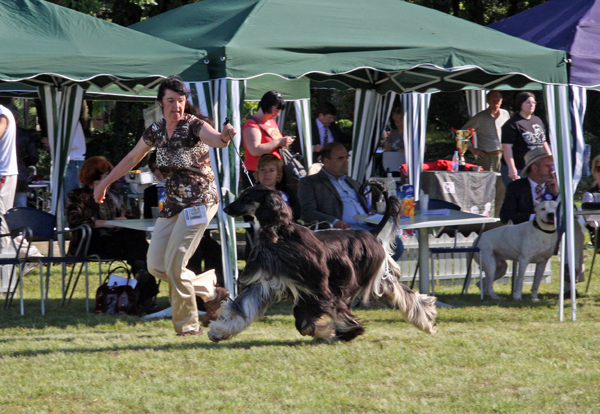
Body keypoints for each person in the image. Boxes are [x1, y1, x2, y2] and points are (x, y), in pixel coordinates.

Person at [93, 75, 236, 336]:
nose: (176, 107)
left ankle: (188, 328)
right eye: (170, 101)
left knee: (175, 264)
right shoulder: (156, 130)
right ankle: (212, 292)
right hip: (173, 204)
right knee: (156, 265)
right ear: (161, 103)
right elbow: (132, 158)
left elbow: (216, 139)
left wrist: (225, 136)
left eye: (180, 101)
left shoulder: (194, 126)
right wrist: (104, 184)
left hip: (199, 201)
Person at [298, 142, 404, 259]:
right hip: (341, 233)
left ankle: (375, 276)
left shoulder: (353, 182)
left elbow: (369, 207)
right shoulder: (310, 183)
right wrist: (334, 222)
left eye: (347, 157)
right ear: (326, 161)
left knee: (395, 243)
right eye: (340, 158)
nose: (346, 161)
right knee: (386, 247)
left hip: (367, 228)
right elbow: (307, 213)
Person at [144, 151, 223, 287]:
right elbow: (148, 217)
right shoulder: (151, 191)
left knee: (212, 250)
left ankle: (216, 289)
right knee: (162, 263)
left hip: (196, 235)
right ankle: (208, 291)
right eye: (155, 168)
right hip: (167, 237)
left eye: (162, 167)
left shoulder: (192, 190)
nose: (159, 171)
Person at [66, 156, 149, 276]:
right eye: (106, 177)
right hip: (91, 241)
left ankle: (141, 272)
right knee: (135, 245)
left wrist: (123, 220)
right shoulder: (78, 195)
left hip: (115, 239)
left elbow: (131, 218)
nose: (110, 180)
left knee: (136, 236)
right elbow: (74, 220)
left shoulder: (113, 195)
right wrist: (103, 223)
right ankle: (142, 273)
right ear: (93, 177)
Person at [241, 91, 295, 188]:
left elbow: (273, 143)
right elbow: (255, 150)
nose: (278, 114)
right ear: (267, 105)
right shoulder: (251, 124)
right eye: (276, 110)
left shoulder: (272, 121)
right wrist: (278, 142)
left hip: (274, 174)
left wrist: (283, 142)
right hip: (257, 174)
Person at [501, 91, 550, 185]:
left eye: (534, 103)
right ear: (520, 104)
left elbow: (544, 142)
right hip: (520, 169)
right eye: (528, 102)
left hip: (537, 168)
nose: (531, 105)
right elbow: (507, 147)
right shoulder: (512, 124)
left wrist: (550, 161)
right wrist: (511, 168)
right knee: (521, 197)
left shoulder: (537, 120)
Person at [499, 147, 557, 225]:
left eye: (551, 166)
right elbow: (505, 216)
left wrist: (557, 194)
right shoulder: (516, 187)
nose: (551, 170)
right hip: (524, 233)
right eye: (547, 166)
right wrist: (536, 217)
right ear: (535, 168)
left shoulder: (555, 186)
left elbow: (572, 213)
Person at [462, 91, 510, 172]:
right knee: (487, 183)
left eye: (498, 100)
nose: (496, 103)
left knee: (503, 183)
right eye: (493, 100)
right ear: (487, 101)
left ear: (501, 101)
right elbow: (462, 133)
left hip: (504, 156)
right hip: (487, 157)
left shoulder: (505, 114)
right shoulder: (480, 117)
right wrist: (473, 149)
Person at [7, 105, 39, 208]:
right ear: (18, 118)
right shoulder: (26, 134)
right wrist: (22, 163)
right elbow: (34, 156)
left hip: (3, 176)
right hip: (20, 174)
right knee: (21, 207)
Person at [254, 153, 301, 220]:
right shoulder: (252, 193)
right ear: (258, 173)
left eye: (271, 170)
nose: (266, 174)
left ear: (278, 174)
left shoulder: (287, 191)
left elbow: (296, 213)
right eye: (263, 170)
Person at [0, 104, 18, 249]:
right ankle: (31, 255)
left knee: (2, 219)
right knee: (5, 219)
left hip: (3, 173)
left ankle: (2, 260)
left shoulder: (2, 114)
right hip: (5, 172)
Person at [63, 120, 87, 207]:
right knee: (69, 195)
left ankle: (74, 217)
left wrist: (55, 143)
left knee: (71, 196)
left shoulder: (71, 121)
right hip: (72, 162)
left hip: (73, 161)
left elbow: (75, 144)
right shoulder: (70, 121)